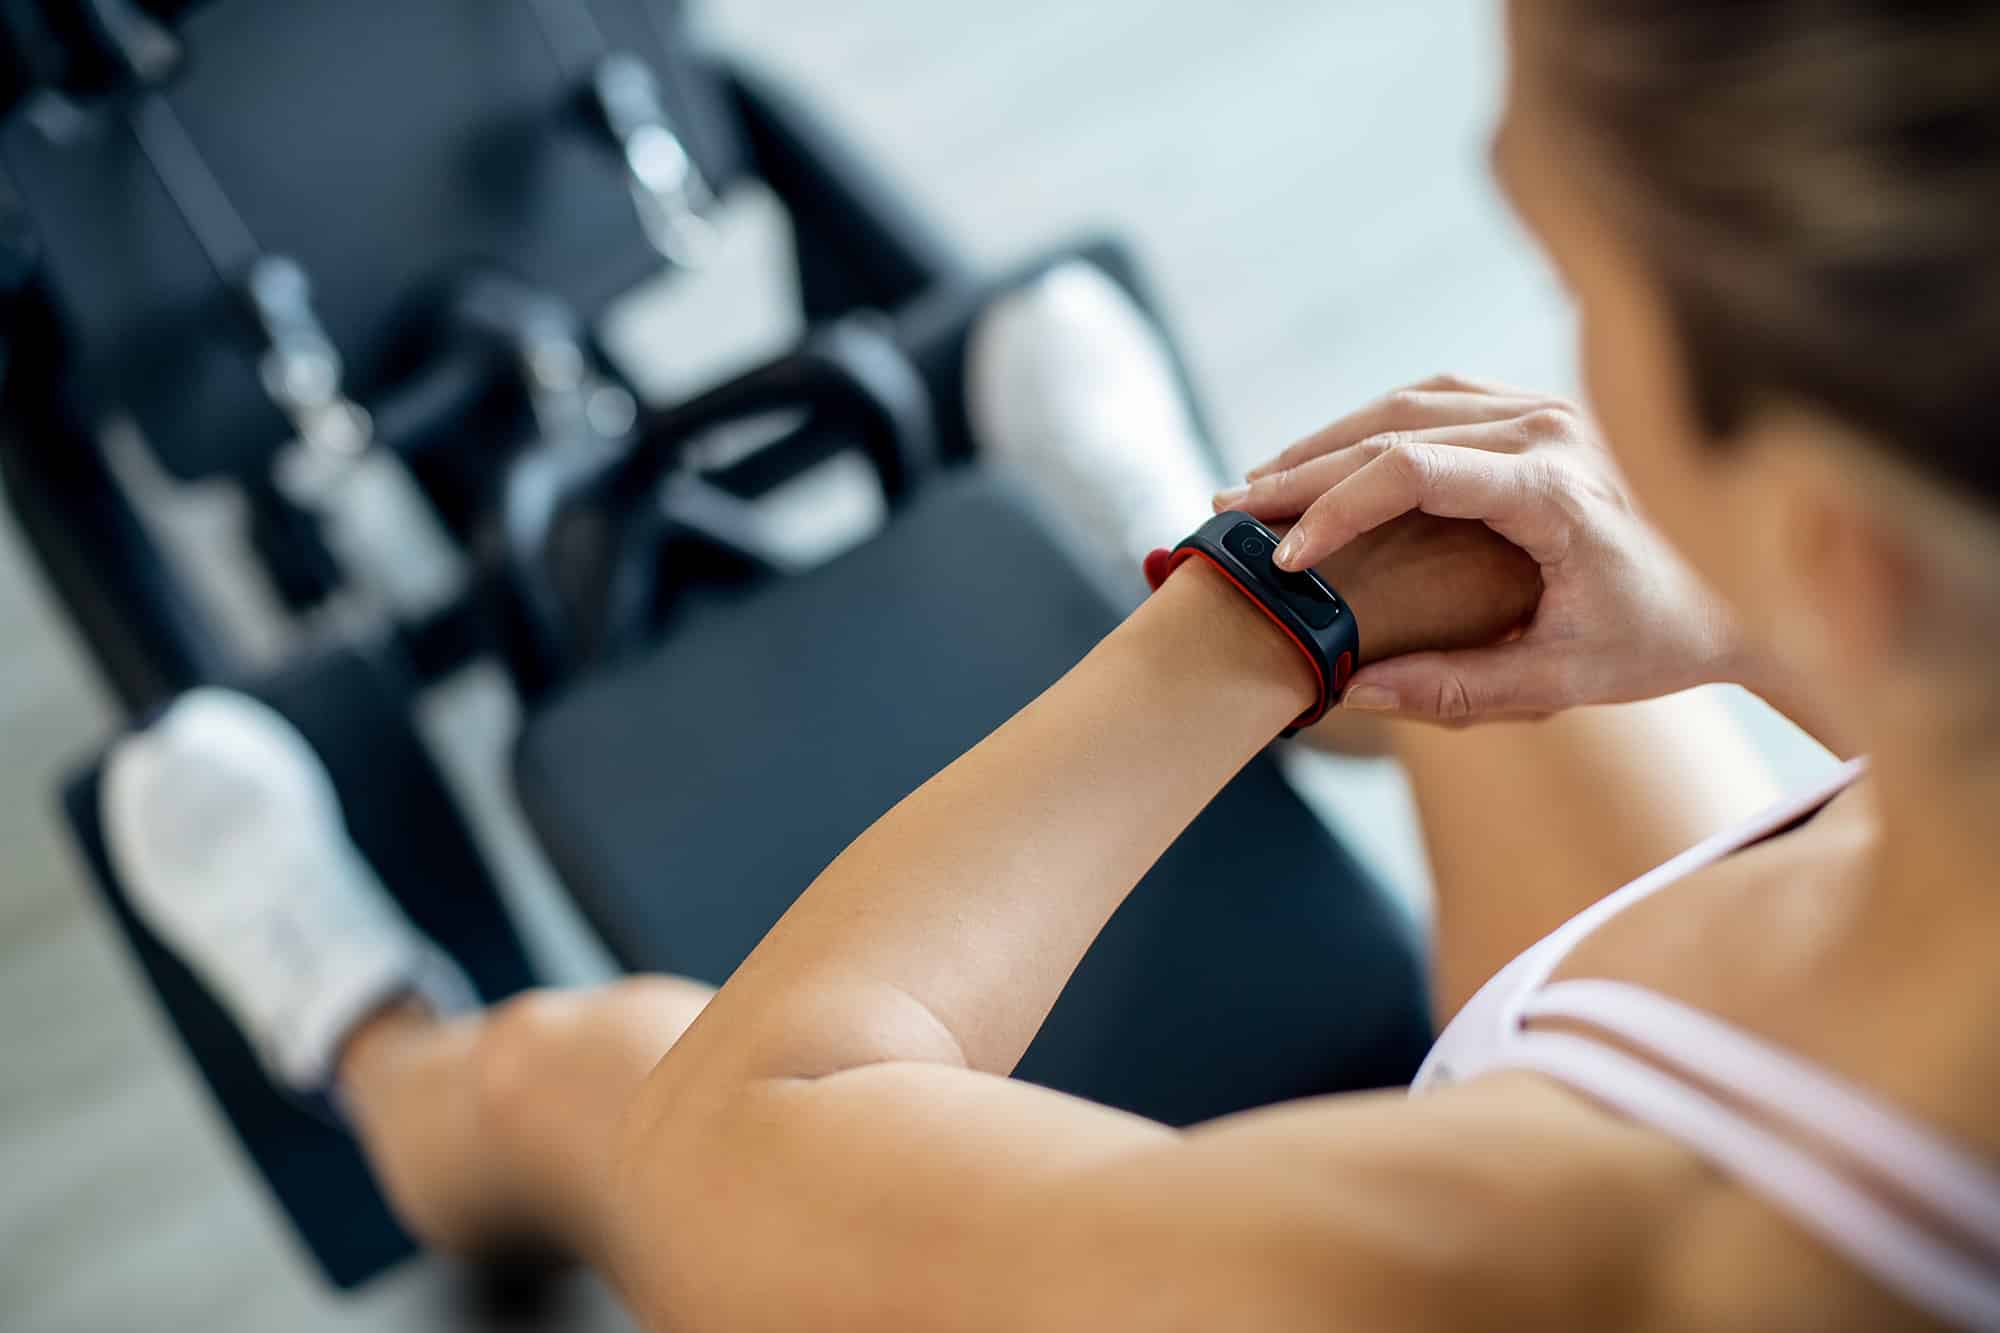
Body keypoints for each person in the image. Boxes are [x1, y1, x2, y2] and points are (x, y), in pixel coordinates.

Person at [101, 1, 2000, 1328]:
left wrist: (1255, 610)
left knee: (577, 1072)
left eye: (1583, 280)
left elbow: (738, 1150)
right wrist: (1737, 618)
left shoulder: (1571, 1275)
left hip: (1505, 1187)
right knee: (1505, 571)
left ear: (1841, 542)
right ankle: (1175, 549)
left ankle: (359, 1036)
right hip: (1775, 990)